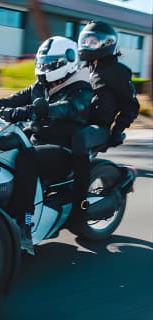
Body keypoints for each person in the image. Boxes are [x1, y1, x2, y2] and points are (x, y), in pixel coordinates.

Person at [0, 36, 94, 255]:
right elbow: (11, 101)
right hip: (34, 141)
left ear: (67, 62)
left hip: (64, 149)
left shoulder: (80, 88)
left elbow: (66, 108)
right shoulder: (40, 87)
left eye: (50, 64)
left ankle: (24, 225)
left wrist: (33, 110)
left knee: (25, 158)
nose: (44, 68)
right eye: (42, 63)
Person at [72, 21, 140, 220]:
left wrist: (117, 130)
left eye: (92, 42)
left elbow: (131, 105)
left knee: (79, 139)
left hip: (98, 128)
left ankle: (80, 197)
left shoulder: (118, 72)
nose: (86, 45)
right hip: (77, 121)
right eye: (85, 41)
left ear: (105, 44)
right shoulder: (84, 69)